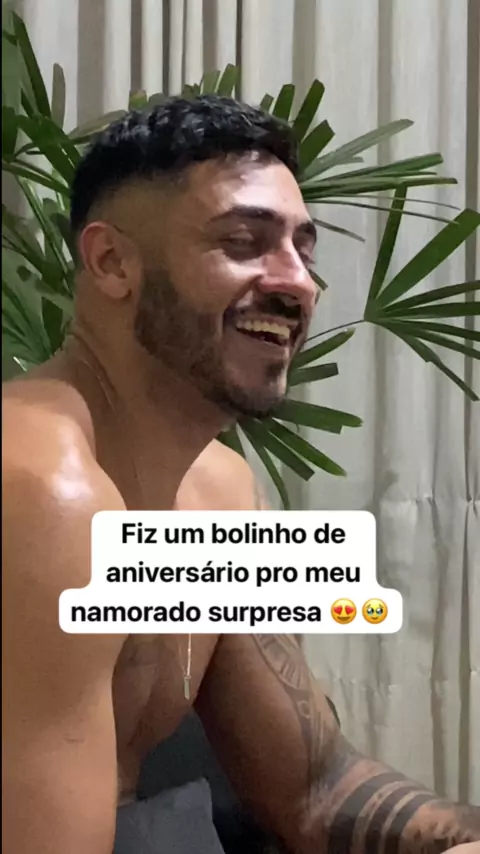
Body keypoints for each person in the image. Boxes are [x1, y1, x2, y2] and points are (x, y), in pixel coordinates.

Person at [3, 94, 479, 854]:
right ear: (112, 262)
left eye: (303, 249)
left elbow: (316, 787)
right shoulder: (39, 491)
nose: (299, 284)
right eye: (244, 241)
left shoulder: (220, 490)